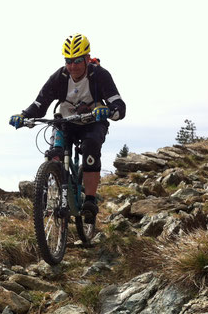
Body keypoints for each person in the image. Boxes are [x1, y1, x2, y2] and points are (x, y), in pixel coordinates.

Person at [9, 33, 126, 224]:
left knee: (90, 149)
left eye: (77, 61)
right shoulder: (60, 77)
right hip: (66, 122)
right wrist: (23, 115)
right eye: (68, 61)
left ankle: (89, 201)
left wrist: (108, 111)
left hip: (93, 123)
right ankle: (48, 196)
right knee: (55, 151)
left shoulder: (100, 75)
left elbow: (119, 106)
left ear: (88, 58)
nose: (73, 66)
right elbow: (40, 103)